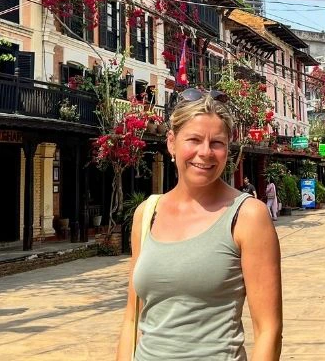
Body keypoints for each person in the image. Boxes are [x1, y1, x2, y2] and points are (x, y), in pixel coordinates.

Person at [116, 88, 282, 360]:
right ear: (171, 142)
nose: (205, 153)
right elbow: (132, 321)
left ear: (228, 148)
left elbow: (269, 330)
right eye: (193, 139)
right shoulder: (147, 214)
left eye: (216, 143)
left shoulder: (247, 216)